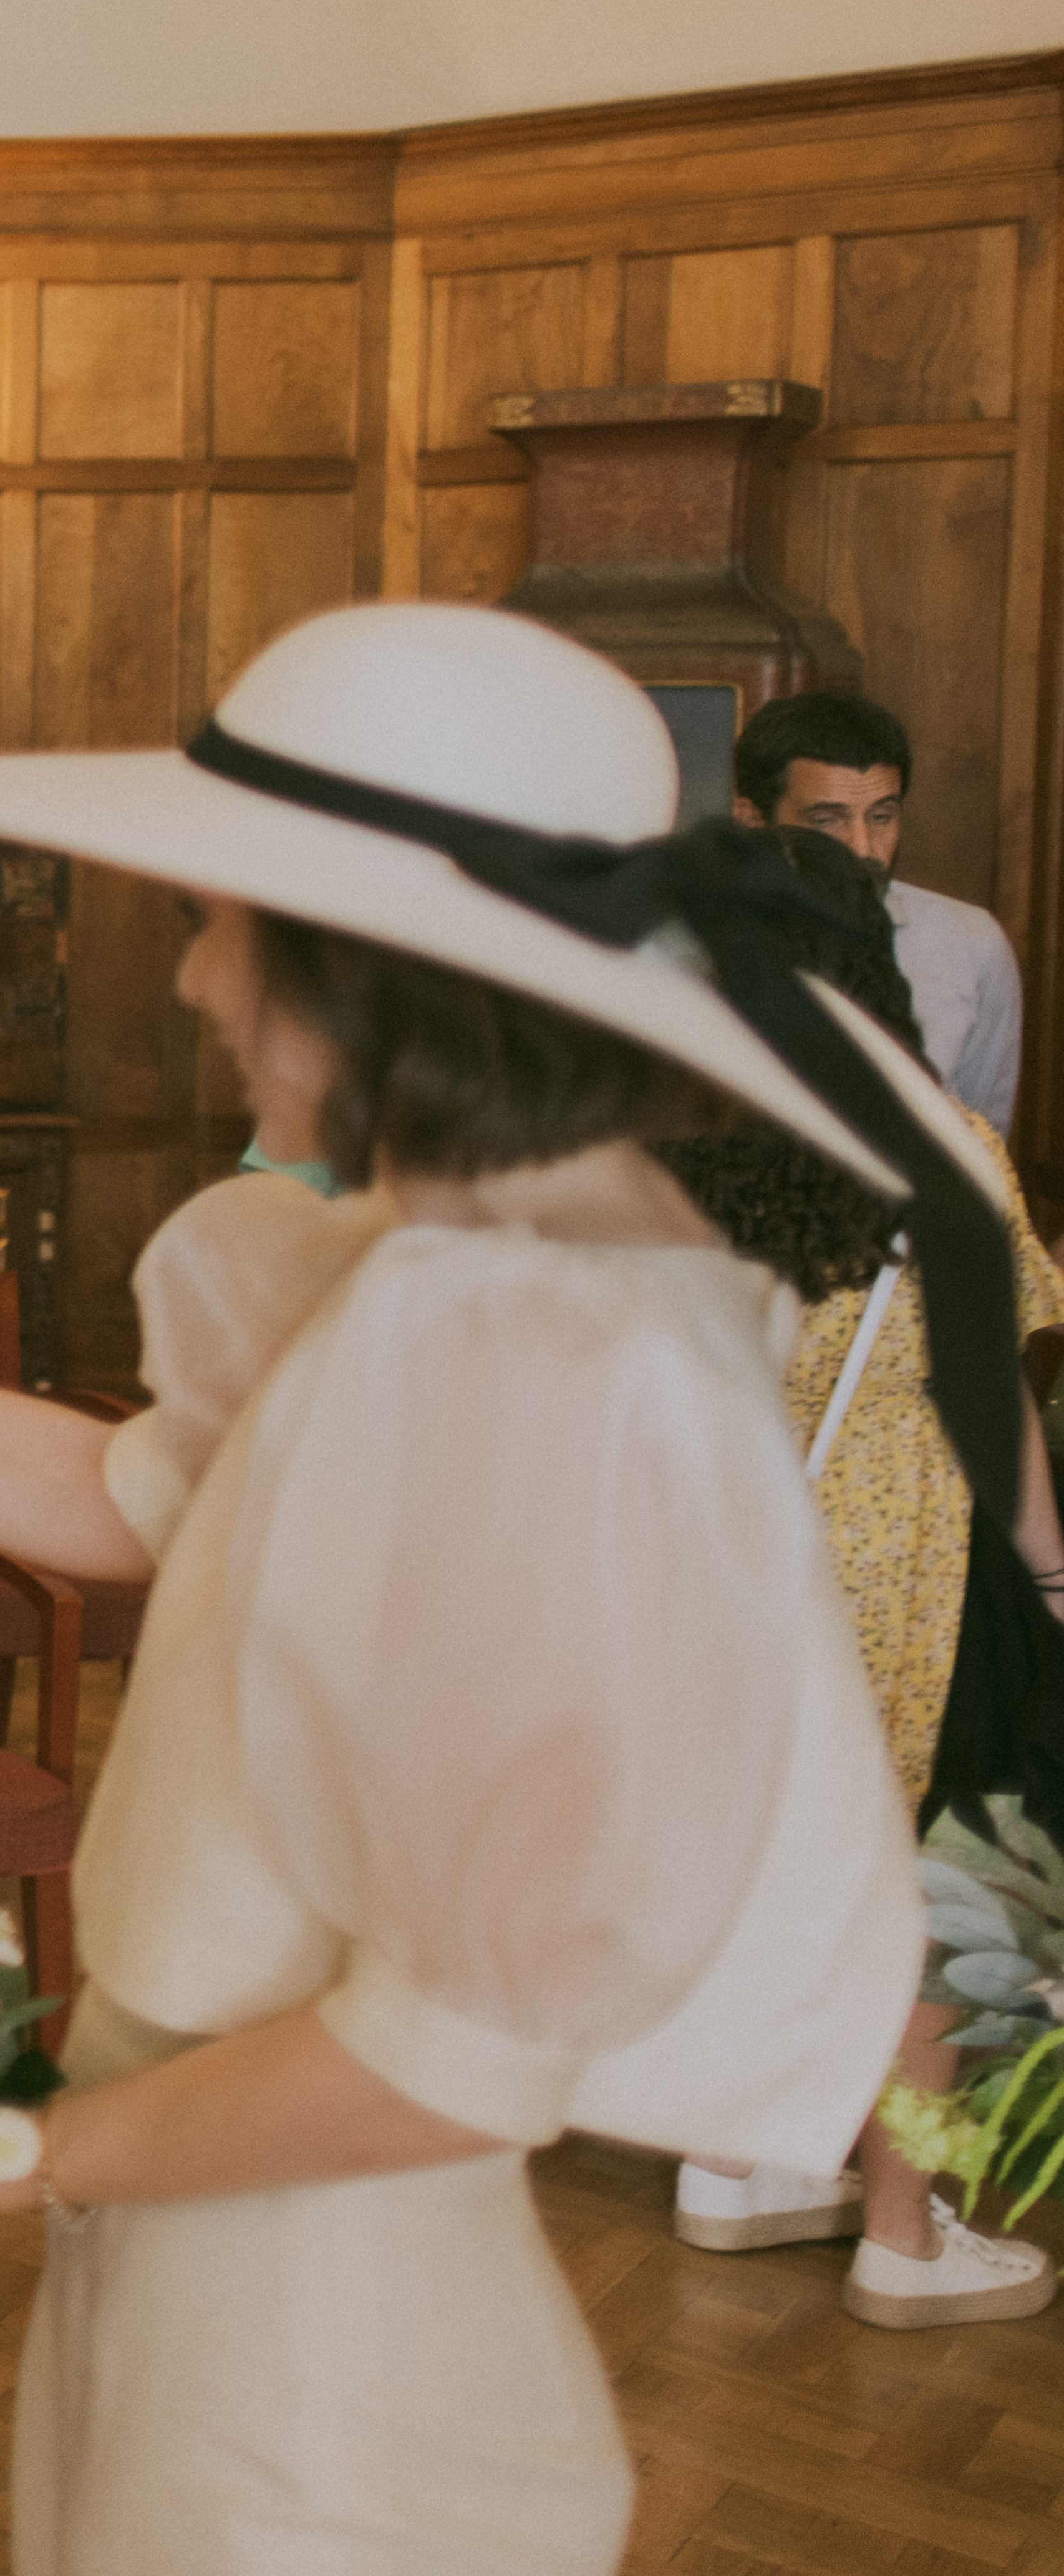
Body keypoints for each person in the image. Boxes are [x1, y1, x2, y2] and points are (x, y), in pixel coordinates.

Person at [0, 601, 948, 2575]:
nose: (198, 976)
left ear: (370, 967)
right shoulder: (400, 1265)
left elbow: (448, 2053)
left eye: (228, 917)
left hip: (330, 2363)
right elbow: (131, 1494)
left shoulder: (556, 1359)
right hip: (187, 2256)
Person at [652, 820, 1064, 2327]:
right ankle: (907, 2225)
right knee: (947, 1892)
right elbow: (992, 1396)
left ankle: (739, 2161)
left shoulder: (657, 1145)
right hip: (918, 1566)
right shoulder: (942, 1149)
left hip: (721, 1564)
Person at [732, 686, 1021, 1125]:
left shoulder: (968, 943)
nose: (863, 848)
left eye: (881, 816)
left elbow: (982, 1143)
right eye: (827, 820)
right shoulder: (686, 942)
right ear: (752, 821)